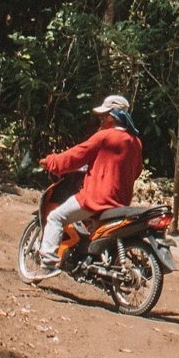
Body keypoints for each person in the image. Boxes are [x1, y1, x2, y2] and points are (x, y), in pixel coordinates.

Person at [37, 94, 144, 273]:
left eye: (104, 115)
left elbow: (75, 156)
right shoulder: (136, 142)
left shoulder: (104, 137)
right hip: (121, 203)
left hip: (97, 199)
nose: (101, 119)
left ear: (113, 116)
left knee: (56, 217)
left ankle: (47, 263)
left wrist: (51, 162)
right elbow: (136, 171)